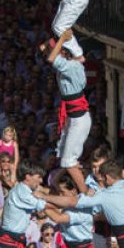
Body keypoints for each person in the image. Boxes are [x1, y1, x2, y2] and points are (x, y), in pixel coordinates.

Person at [43, 30, 91, 191]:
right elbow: (43, 48)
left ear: (64, 52)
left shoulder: (71, 67)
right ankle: (56, 181)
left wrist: (63, 38)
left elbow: (51, 58)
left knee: (68, 161)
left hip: (79, 119)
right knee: (63, 154)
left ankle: (85, 192)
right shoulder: (70, 63)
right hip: (72, 117)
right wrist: (58, 35)